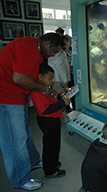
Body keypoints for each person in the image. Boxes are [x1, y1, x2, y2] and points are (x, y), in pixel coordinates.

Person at [0, 33, 64, 191]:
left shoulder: (34, 50)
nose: (54, 54)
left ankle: (34, 161)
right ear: (47, 43)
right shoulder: (27, 46)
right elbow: (20, 78)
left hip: (18, 98)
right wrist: (45, 89)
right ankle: (20, 179)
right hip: (7, 97)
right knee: (15, 140)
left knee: (26, 134)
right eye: (54, 51)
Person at [31, 64, 71, 178]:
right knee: (51, 146)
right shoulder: (37, 91)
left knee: (54, 144)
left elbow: (50, 102)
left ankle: (52, 162)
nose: (51, 81)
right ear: (40, 77)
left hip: (52, 121)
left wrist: (58, 97)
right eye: (49, 79)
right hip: (48, 121)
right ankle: (50, 170)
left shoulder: (44, 89)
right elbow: (46, 109)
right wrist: (62, 103)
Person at [48, 35, 71, 121]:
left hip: (56, 79)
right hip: (59, 80)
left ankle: (62, 115)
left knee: (60, 97)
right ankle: (63, 117)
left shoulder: (59, 52)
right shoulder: (58, 53)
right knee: (62, 98)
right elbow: (60, 67)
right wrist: (65, 80)